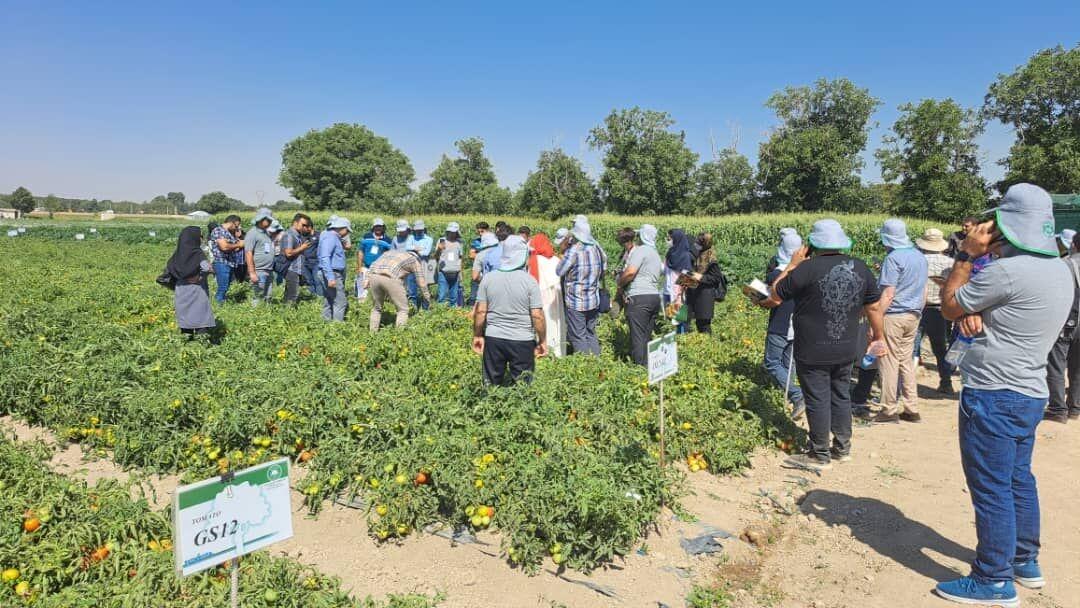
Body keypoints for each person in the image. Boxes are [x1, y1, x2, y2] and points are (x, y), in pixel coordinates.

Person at [935, 183, 1072, 606]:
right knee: (1017, 479)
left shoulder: (1004, 272)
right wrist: (979, 311)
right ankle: (1024, 561)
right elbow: (1003, 311)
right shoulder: (1060, 270)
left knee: (991, 487)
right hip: (1029, 390)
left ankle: (992, 579)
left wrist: (965, 256)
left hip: (993, 391)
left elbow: (949, 305)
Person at [759, 219, 886, 472]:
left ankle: (819, 453)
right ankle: (842, 448)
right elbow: (873, 306)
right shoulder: (860, 268)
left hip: (813, 345)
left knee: (817, 397)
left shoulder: (806, 269)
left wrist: (792, 266)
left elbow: (774, 295)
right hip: (847, 345)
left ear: (813, 243)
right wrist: (878, 336)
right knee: (840, 394)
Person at [871, 219, 928, 424]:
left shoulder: (893, 258)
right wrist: (918, 311)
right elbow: (924, 289)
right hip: (914, 314)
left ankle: (888, 409)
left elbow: (888, 293)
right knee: (905, 361)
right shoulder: (919, 257)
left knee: (887, 361)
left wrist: (875, 319)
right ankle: (912, 408)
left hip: (893, 315)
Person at [472, 235, 548, 385]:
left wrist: (477, 335)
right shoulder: (530, 281)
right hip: (522, 340)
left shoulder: (488, 278)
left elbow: (480, 312)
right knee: (522, 386)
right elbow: (537, 316)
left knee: (491, 384)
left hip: (494, 339)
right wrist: (542, 340)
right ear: (522, 256)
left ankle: (490, 406)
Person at [763, 229, 807, 420]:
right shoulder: (807, 272)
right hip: (798, 325)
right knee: (789, 363)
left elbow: (773, 299)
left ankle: (797, 395)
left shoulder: (777, 274)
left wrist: (757, 299)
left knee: (772, 362)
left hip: (780, 325)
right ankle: (788, 397)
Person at [914, 228, 956, 394]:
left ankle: (905, 384)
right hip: (939, 310)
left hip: (918, 308)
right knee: (940, 348)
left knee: (912, 348)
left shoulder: (917, 261)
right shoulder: (951, 263)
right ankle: (946, 382)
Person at [1044, 230, 1080, 423]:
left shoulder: (1064, 264)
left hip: (1066, 321)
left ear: (1074, 244)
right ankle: (1075, 407)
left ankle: (1058, 409)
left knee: (1056, 364)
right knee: (1078, 368)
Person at [557, 222, 607, 356]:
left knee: (578, 336)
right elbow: (604, 268)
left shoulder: (575, 250)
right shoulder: (596, 248)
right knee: (591, 333)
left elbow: (559, 271)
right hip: (593, 299)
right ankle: (597, 364)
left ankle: (585, 367)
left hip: (576, 300)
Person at [617, 224, 663, 366]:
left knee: (637, 337)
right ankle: (649, 367)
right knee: (646, 336)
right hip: (654, 298)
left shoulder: (641, 250)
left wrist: (619, 282)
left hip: (639, 298)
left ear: (642, 236)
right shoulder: (655, 253)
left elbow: (630, 272)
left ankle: (639, 370)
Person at [166, 226, 216, 341]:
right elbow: (206, 267)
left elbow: (170, 267)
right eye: (200, 236)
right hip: (197, 289)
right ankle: (201, 344)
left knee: (185, 317)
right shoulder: (197, 253)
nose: (201, 239)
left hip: (181, 290)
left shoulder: (177, 253)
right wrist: (199, 276)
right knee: (200, 317)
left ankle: (186, 343)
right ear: (194, 238)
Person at [367, 248, 431, 331]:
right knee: (403, 310)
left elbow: (372, 265)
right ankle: (399, 335)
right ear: (417, 256)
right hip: (391, 278)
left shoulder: (389, 252)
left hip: (374, 277)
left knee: (376, 308)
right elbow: (421, 282)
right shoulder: (413, 260)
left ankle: (372, 334)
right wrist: (427, 297)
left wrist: (366, 280)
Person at [527, 232, 566, 357]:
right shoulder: (556, 259)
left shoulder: (534, 260)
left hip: (540, 295)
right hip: (556, 295)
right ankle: (558, 352)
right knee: (557, 323)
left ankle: (543, 350)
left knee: (542, 323)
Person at [684, 233, 726, 334]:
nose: (696, 244)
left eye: (698, 242)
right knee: (686, 320)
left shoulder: (711, 258)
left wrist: (701, 277)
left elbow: (716, 278)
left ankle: (707, 345)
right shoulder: (698, 254)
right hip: (694, 292)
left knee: (703, 325)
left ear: (705, 243)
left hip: (705, 296)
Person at [318, 216, 351, 322]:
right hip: (333, 273)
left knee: (329, 299)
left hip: (331, 272)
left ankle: (326, 323)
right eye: (347, 230)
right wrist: (330, 277)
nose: (347, 233)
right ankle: (337, 329)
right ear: (342, 228)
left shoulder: (330, 236)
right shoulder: (331, 237)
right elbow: (325, 257)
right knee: (340, 302)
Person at [278, 213, 313, 306]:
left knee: (290, 294)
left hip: (296, 269)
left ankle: (285, 312)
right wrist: (302, 247)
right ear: (295, 223)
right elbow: (288, 253)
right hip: (291, 269)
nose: (305, 227)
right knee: (292, 295)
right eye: (303, 225)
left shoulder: (297, 235)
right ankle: (288, 316)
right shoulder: (289, 235)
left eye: (307, 225)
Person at [209, 215, 244, 303]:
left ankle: (222, 301)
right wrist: (239, 245)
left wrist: (239, 242)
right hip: (221, 263)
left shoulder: (228, 233)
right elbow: (224, 247)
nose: (236, 228)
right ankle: (218, 304)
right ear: (232, 223)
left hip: (229, 263)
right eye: (236, 226)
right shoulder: (219, 230)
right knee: (223, 286)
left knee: (226, 285)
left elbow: (233, 248)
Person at [245, 209, 276, 306]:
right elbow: (248, 253)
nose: (270, 222)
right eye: (268, 220)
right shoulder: (252, 233)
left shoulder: (266, 233)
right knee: (258, 296)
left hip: (268, 270)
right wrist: (252, 272)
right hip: (259, 271)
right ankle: (256, 317)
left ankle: (266, 317)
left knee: (268, 296)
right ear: (261, 219)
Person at [664, 229, 693, 334]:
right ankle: (673, 341)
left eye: (670, 238)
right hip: (667, 291)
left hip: (679, 295)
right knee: (671, 320)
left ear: (676, 239)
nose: (668, 240)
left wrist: (680, 293)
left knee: (680, 321)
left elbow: (688, 277)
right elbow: (665, 270)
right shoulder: (669, 253)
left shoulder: (685, 255)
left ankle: (682, 340)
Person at [407, 220, 434, 310]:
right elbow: (407, 248)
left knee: (425, 288)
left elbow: (426, 253)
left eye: (420, 229)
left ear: (424, 229)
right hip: (411, 266)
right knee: (411, 289)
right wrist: (417, 249)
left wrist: (414, 250)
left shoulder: (429, 239)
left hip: (424, 266)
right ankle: (413, 308)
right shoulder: (411, 237)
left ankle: (426, 309)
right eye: (416, 230)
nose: (418, 231)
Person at [436, 222, 465, 306]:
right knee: (442, 297)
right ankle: (440, 314)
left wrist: (461, 273)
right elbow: (435, 257)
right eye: (450, 232)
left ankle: (453, 315)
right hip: (443, 272)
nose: (452, 234)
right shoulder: (442, 241)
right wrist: (439, 249)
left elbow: (460, 258)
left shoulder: (459, 242)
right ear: (447, 231)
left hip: (455, 273)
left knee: (454, 298)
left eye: (454, 232)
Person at [467, 222, 490, 306]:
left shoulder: (493, 242)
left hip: (489, 272)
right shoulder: (476, 242)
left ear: (488, 230)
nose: (480, 234)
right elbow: (471, 255)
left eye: (482, 231)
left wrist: (479, 256)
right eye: (479, 232)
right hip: (477, 272)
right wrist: (485, 256)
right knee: (473, 295)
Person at [301, 229, 323, 297]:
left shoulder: (318, 235)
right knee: (309, 281)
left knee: (317, 281)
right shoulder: (302, 236)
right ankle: (312, 297)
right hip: (305, 262)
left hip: (316, 262)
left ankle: (320, 297)